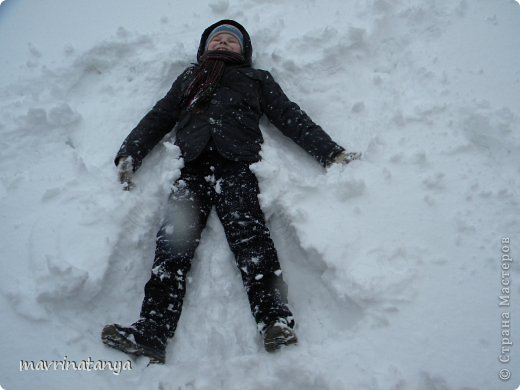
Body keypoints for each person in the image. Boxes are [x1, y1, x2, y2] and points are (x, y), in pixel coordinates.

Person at [101, 19, 360, 364]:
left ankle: (275, 322)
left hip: (236, 167)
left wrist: (330, 152)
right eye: (217, 39)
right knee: (171, 248)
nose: (223, 43)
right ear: (204, 47)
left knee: (253, 243)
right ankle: (152, 331)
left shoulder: (257, 79)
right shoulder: (189, 78)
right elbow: (159, 116)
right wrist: (130, 153)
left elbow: (290, 117)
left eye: (231, 40)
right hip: (190, 169)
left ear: (245, 51)